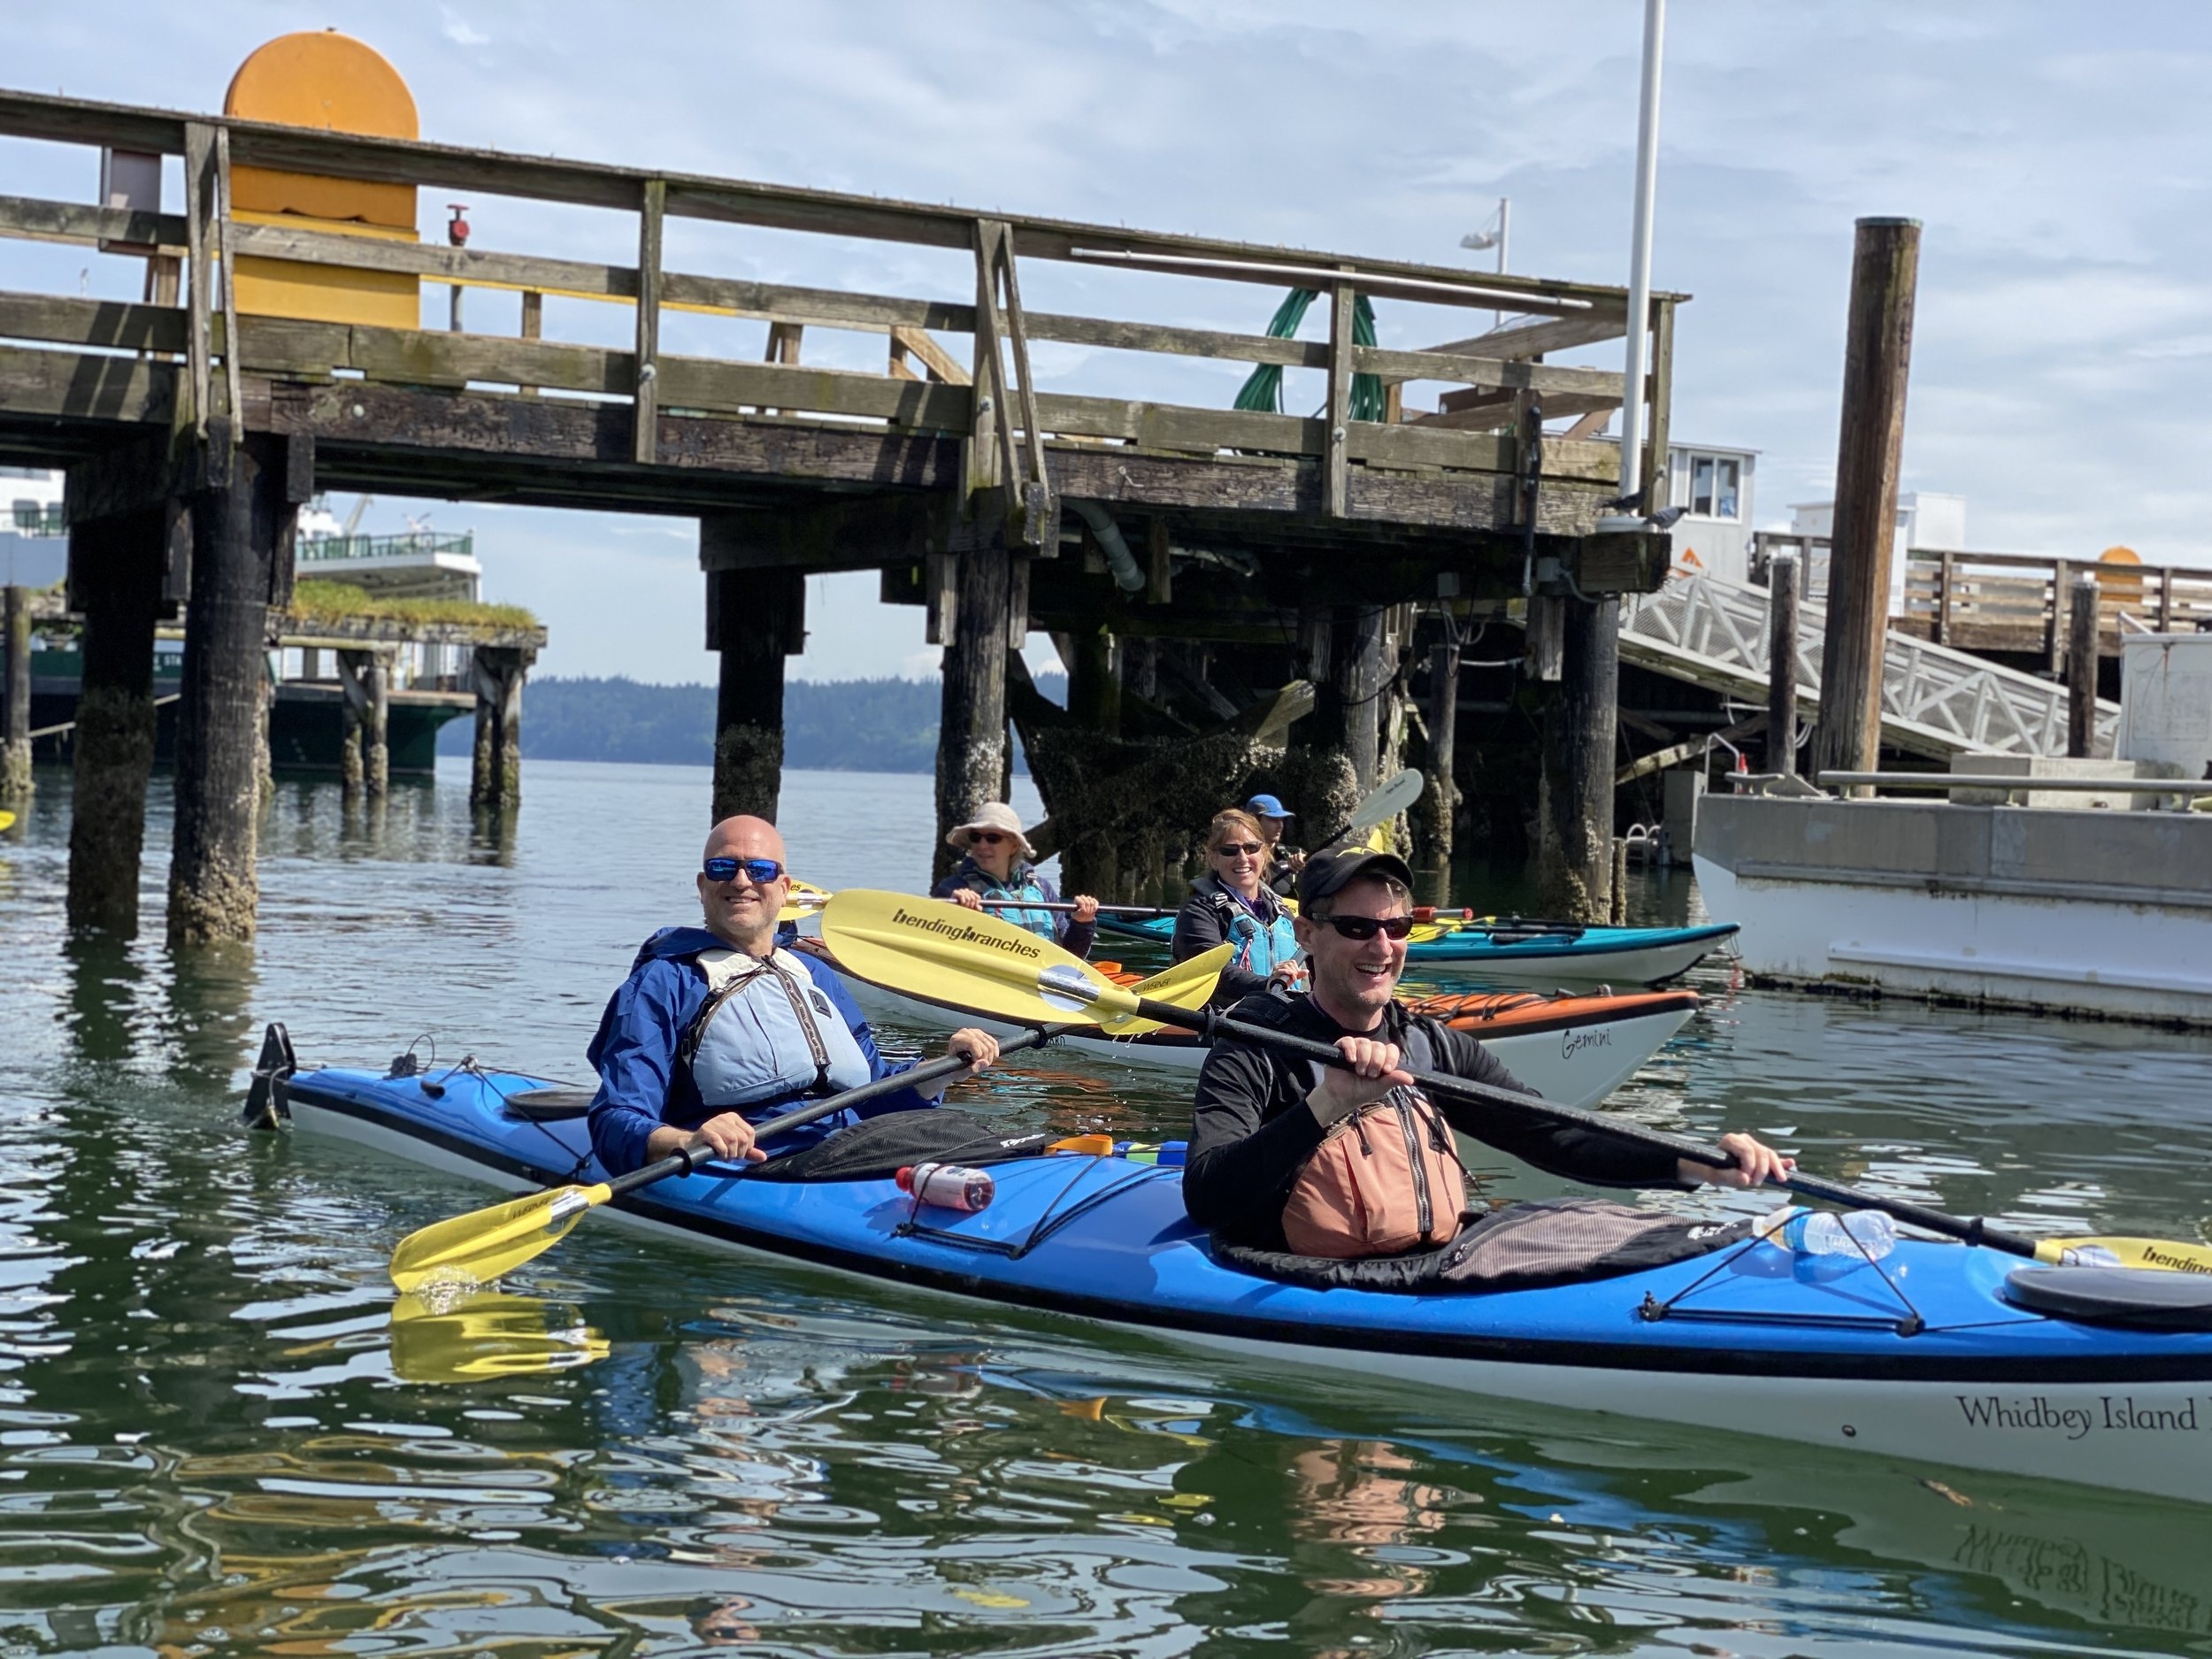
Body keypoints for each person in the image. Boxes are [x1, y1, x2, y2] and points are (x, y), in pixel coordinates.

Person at [1183, 848, 1792, 1250]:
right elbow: (1208, 1196)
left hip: (1420, 1266)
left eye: (1396, 928)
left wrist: (1691, 1160)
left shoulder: (1427, 1045)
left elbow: (1553, 1132)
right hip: (1297, 1280)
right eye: (1357, 927)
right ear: (1308, 935)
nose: (1382, 945)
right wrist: (1324, 1106)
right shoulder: (1255, 1046)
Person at [587, 815, 1001, 1176]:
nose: (741, 881)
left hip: (858, 1148)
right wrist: (689, 1138)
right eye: (722, 868)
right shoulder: (664, 982)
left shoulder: (814, 973)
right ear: (702, 885)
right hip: (764, 1162)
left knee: (967, 1131)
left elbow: (874, 1088)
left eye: (760, 870)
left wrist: (942, 1069)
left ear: (784, 888)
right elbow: (615, 1118)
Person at [1171, 808, 1306, 1005]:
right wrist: (1268, 984)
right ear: (1213, 859)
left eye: (1251, 848)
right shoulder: (1199, 912)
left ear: (1265, 853)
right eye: (1230, 850)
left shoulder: (1283, 912)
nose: (1242, 858)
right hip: (1226, 1018)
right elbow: (1213, 972)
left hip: (1287, 1014)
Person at [933, 801, 1100, 958]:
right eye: (976, 837)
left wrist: (1083, 923)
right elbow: (940, 951)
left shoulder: (1041, 887)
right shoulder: (952, 890)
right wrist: (960, 917)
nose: (982, 845)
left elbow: (1073, 955)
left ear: (1013, 845)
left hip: (1046, 979)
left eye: (993, 838)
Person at [1246, 793, 1304, 896]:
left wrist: (1308, 864)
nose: (1280, 825)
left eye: (1282, 819)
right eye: (1273, 819)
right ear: (1254, 821)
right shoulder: (1242, 857)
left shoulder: (1293, 853)